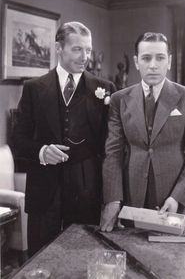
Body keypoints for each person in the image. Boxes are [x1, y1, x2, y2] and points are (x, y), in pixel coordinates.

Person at [13, 21, 116, 256]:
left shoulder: (105, 89)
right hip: (44, 192)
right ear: (59, 48)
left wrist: (110, 197)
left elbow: (112, 148)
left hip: (87, 192)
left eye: (88, 50)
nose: (85, 57)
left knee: (83, 256)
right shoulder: (33, 88)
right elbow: (18, 139)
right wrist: (41, 152)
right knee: (41, 260)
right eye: (77, 49)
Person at [100, 32, 185, 232]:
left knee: (173, 261)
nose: (153, 65)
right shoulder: (119, 99)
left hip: (174, 200)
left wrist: (177, 196)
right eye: (146, 58)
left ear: (169, 61)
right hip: (131, 202)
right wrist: (113, 198)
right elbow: (113, 153)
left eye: (160, 58)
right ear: (136, 61)